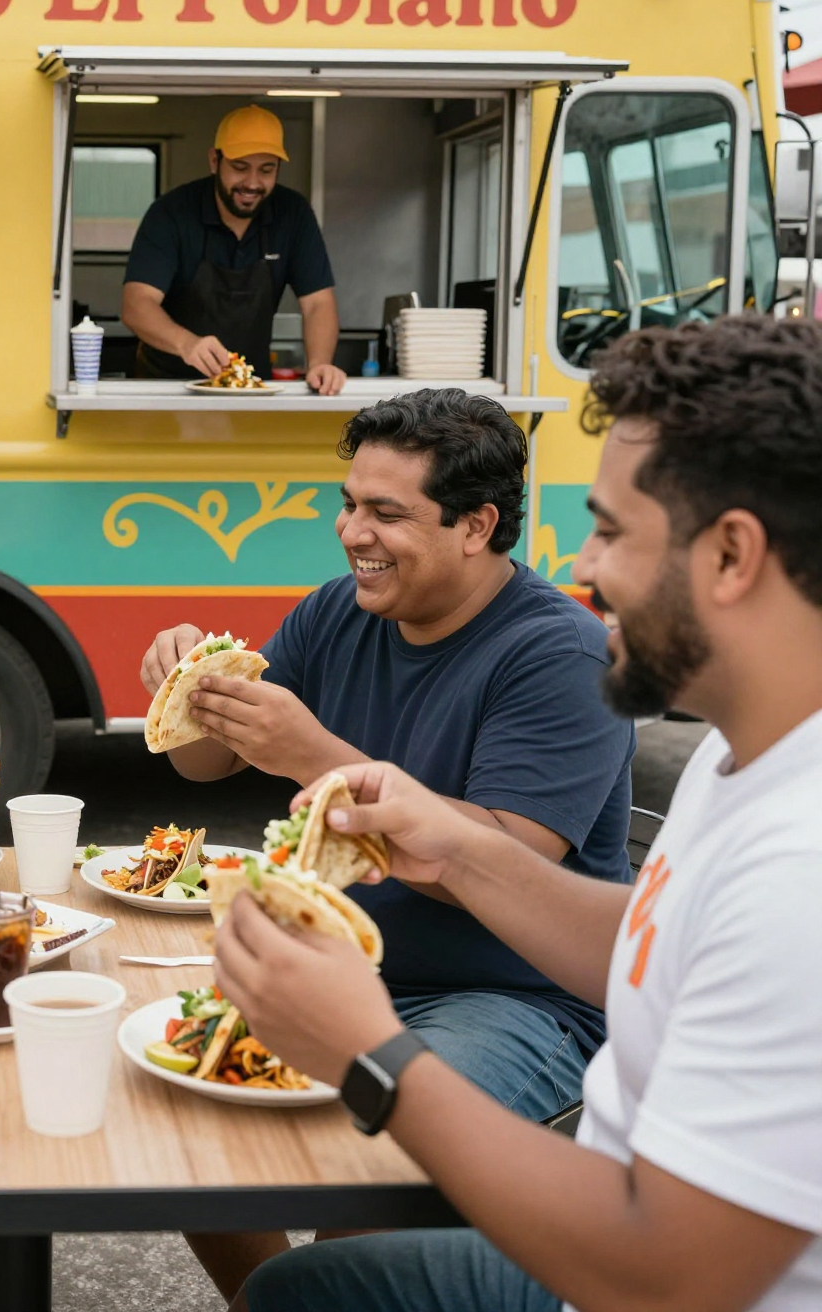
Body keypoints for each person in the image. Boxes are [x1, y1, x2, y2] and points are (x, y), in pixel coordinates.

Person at [217, 315, 822, 1312]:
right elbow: (650, 942)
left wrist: (374, 1057)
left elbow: (668, 1276)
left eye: (614, 532)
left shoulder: (799, 865)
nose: (585, 570)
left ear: (732, 556)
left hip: (642, 1278)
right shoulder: (738, 755)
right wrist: (449, 844)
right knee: (289, 1282)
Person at [140, 388, 633, 1300]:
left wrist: (311, 752)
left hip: (515, 999)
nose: (350, 531)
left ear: (476, 525)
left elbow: (509, 865)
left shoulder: (559, 652)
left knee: (365, 1179)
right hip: (348, 965)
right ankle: (282, 1300)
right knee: (181, 1112)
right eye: (350, 502)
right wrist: (189, 688)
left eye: (386, 512)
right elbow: (205, 764)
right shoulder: (341, 611)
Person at [120, 104, 346, 392]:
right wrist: (187, 344)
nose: (252, 183)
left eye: (266, 170)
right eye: (240, 167)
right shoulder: (171, 213)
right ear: (215, 161)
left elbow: (318, 303)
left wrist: (319, 365)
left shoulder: (293, 214)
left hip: (251, 389)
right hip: (167, 387)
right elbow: (136, 304)